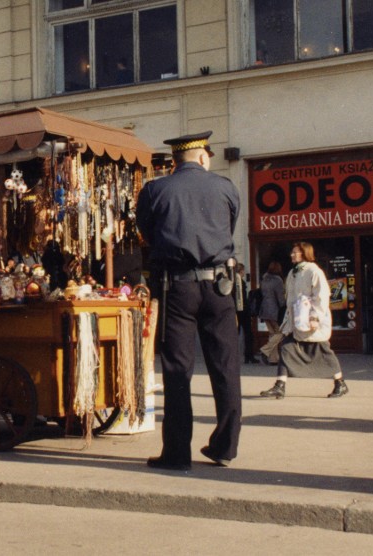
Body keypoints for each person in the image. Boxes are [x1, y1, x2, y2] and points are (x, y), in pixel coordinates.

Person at [136, 131, 242, 469]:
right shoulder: (226, 187)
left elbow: (147, 233)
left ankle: (177, 454)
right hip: (219, 287)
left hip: (176, 287)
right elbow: (230, 226)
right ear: (202, 157)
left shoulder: (155, 190)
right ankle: (225, 447)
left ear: (174, 162)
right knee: (225, 367)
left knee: (178, 369)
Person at [260, 242, 348, 399]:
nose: (292, 255)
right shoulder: (293, 273)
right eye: (292, 252)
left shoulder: (314, 271)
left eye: (295, 252)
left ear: (305, 254)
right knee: (286, 349)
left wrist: (315, 318)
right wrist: (288, 320)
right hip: (296, 321)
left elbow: (321, 296)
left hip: (311, 321)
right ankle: (280, 385)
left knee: (323, 351)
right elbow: (290, 299)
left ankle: (340, 383)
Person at [257, 261, 286, 365]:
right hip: (274, 310)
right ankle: (265, 349)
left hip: (264, 309)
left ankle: (273, 359)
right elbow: (281, 298)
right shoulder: (278, 280)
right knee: (281, 332)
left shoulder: (264, 278)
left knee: (272, 333)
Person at [235, 263, 255, 364]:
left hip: (236, 311)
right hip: (242, 311)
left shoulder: (234, 280)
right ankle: (249, 355)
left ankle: (243, 356)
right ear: (241, 271)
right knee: (248, 334)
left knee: (236, 334)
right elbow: (241, 298)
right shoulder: (239, 281)